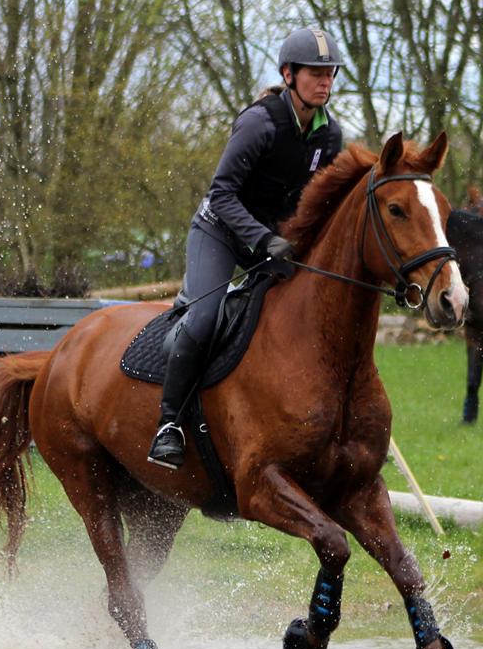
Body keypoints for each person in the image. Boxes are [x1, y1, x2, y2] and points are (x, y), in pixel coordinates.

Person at [147, 28, 345, 469]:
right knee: (205, 316)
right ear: (288, 75)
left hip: (274, 242)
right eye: (315, 73)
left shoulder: (330, 136)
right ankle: (168, 424)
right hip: (220, 231)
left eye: (330, 74)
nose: (325, 82)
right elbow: (222, 195)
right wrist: (264, 240)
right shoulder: (259, 122)